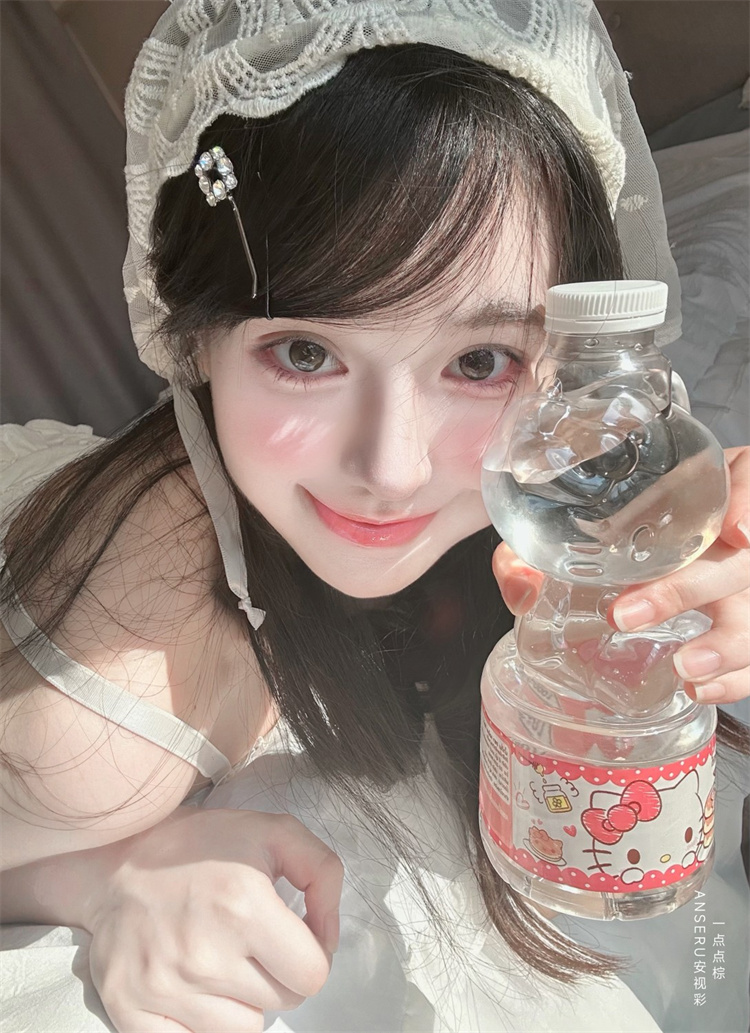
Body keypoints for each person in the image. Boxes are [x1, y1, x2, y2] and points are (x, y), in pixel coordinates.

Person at [1, 1, 748, 1031]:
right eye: (306, 353)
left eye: (480, 360)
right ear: (191, 336)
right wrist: (98, 879)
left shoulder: (567, 477)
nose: (391, 469)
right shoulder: (102, 725)